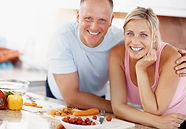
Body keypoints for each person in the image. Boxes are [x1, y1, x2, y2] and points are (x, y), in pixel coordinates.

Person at [47, 0, 186, 113]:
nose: (94, 27)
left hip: (96, 97)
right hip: (59, 98)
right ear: (78, 16)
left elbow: (152, 43)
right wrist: (123, 109)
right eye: (88, 18)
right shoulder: (62, 37)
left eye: (102, 20)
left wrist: (178, 56)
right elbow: (71, 97)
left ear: (111, 20)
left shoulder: (123, 40)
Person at [109, 7, 186, 129]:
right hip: (155, 123)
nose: (135, 41)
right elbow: (118, 107)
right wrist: (157, 122)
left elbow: (155, 111)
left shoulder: (170, 57)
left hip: (179, 122)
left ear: (154, 38)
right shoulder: (117, 54)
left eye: (143, 35)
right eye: (130, 33)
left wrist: (140, 69)